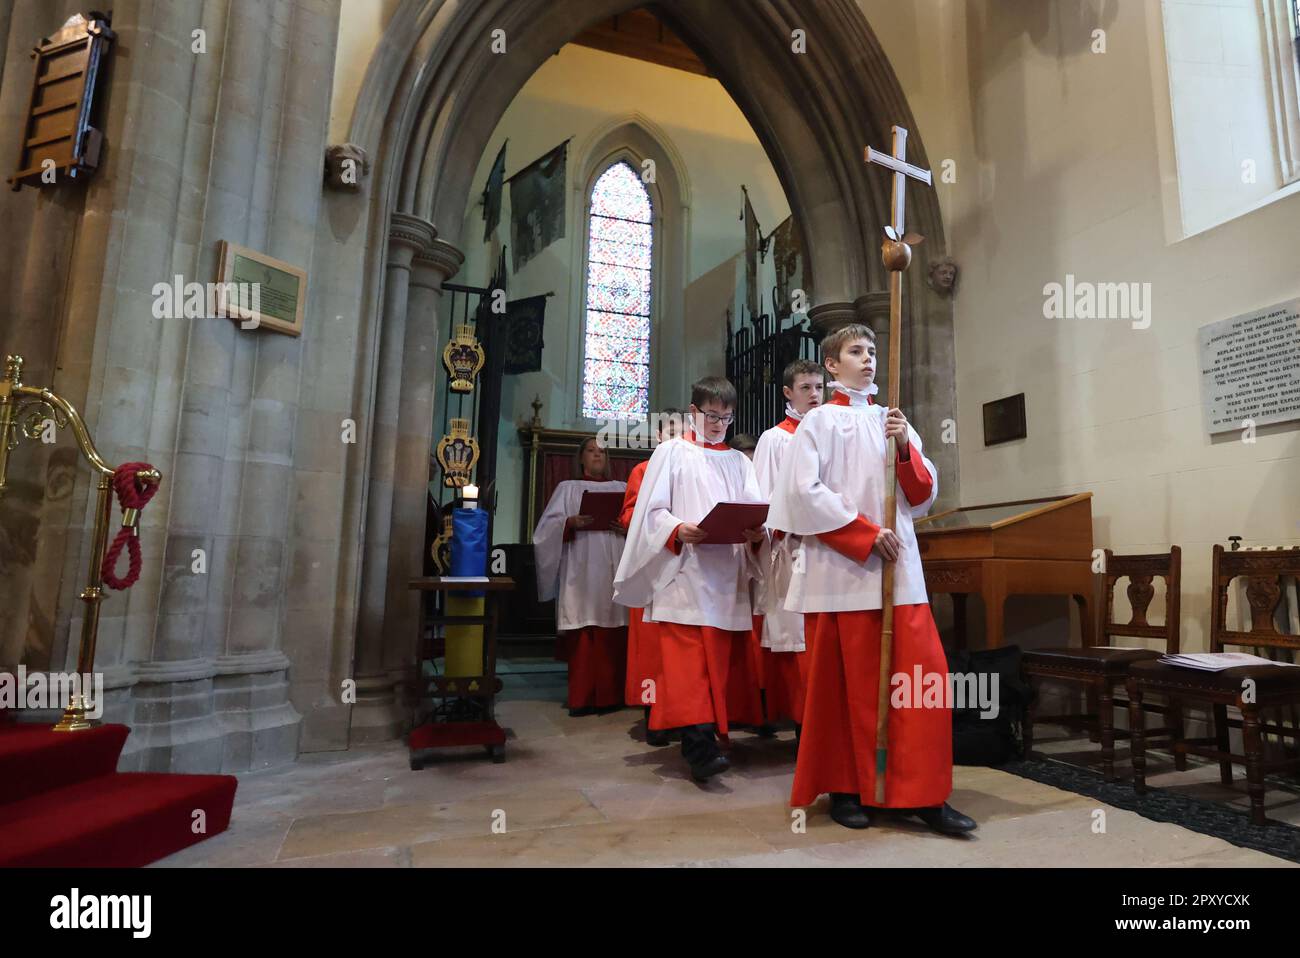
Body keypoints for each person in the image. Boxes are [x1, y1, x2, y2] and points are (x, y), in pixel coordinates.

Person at [768, 325, 976, 834]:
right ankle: (848, 789)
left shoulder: (895, 421)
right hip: (841, 574)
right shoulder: (819, 422)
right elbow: (801, 493)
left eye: (873, 351)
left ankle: (923, 794)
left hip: (899, 572)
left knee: (920, 683)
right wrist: (863, 534)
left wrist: (904, 445)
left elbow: (922, 494)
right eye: (856, 352)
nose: (868, 359)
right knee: (844, 690)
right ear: (832, 365)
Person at [613, 376, 765, 781]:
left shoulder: (739, 461)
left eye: (727, 418)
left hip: (724, 575)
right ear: (694, 412)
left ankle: (707, 738)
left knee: (714, 662)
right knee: (687, 665)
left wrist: (756, 533)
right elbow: (651, 511)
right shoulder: (671, 452)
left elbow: (754, 509)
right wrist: (678, 528)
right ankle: (698, 747)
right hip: (683, 573)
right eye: (712, 416)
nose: (719, 425)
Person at [751, 358, 823, 734]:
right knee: (797, 638)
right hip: (792, 551)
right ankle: (802, 727)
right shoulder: (775, 438)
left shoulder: (829, 430)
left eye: (818, 387)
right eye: (806, 388)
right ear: (787, 393)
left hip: (830, 550)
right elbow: (762, 498)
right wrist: (781, 530)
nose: (814, 395)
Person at [533, 437, 628, 716]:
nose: (597, 455)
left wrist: (625, 527)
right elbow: (544, 532)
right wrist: (568, 523)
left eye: (602, 452)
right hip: (581, 569)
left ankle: (613, 696)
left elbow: (640, 524)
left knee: (615, 631)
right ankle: (582, 698)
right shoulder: (568, 489)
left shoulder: (622, 489)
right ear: (581, 458)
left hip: (613, 566)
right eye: (591, 451)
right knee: (584, 631)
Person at [616, 408, 684, 746]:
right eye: (670, 431)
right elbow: (628, 514)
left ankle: (684, 715)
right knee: (652, 648)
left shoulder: (694, 467)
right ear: (659, 436)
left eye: (682, 431)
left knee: (681, 648)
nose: (677, 437)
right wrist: (661, 525)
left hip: (686, 567)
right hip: (652, 565)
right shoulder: (643, 470)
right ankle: (654, 715)